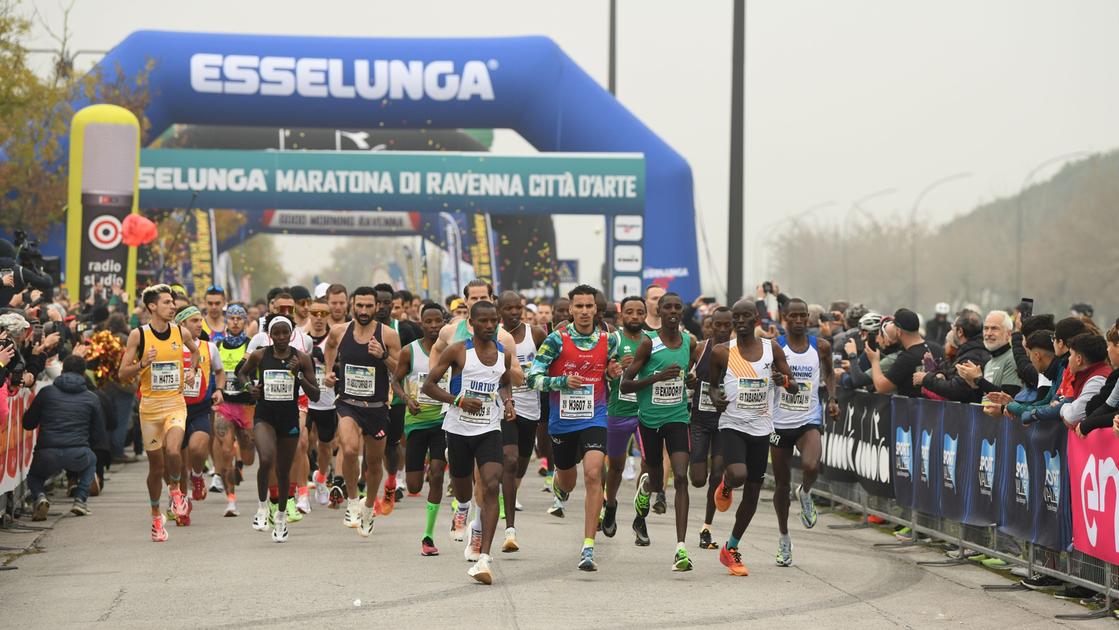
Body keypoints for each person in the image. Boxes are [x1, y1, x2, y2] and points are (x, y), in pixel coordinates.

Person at [422, 300, 516, 584]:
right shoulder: (459, 351)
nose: (489, 326)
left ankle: (484, 558)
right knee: (463, 488)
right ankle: (463, 508)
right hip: (458, 430)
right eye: (483, 322)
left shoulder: (503, 354)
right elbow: (429, 385)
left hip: (489, 429)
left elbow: (503, 382)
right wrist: (458, 400)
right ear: (472, 324)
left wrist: (508, 401)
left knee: (490, 484)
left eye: (493, 321)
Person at [526, 285, 617, 570]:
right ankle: (559, 486)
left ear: (596, 309)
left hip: (595, 417)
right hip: (562, 422)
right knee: (568, 481)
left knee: (593, 474)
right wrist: (561, 382)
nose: (585, 311)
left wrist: (614, 372)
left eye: (589, 306)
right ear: (571, 309)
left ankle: (588, 547)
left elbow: (612, 374)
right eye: (579, 306)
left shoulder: (609, 340)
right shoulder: (556, 340)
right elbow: (532, 377)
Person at [707, 299, 798, 576]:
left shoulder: (773, 349)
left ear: (756, 318)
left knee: (753, 494)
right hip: (733, 424)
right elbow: (711, 387)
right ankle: (725, 484)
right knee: (738, 474)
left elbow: (792, 385)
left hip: (762, 427)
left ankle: (730, 548)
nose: (742, 321)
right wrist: (716, 398)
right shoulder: (722, 352)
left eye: (747, 316)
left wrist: (783, 381)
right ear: (733, 320)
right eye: (737, 317)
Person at [621, 292, 699, 571]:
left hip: (678, 418)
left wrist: (689, 378)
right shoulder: (647, 343)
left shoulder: (690, 342)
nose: (673, 311)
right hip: (649, 422)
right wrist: (656, 377)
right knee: (656, 481)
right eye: (668, 307)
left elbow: (690, 375)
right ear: (660, 310)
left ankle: (680, 547)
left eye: (678, 307)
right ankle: (645, 489)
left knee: (680, 477)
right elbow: (625, 385)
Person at [117, 284, 201, 541]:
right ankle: (156, 518)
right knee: (155, 468)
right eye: (167, 302)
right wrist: (143, 363)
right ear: (152, 306)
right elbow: (122, 373)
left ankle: (175, 490)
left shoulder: (180, 331)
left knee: (174, 451)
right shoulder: (138, 336)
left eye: (173, 302)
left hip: (175, 402)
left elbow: (196, 351)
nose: (173, 306)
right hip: (150, 408)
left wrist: (192, 371)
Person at [322, 286, 401, 536]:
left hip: (377, 407)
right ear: (352, 305)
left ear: (376, 307)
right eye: (360, 305)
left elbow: (400, 369)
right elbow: (330, 348)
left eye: (369, 306)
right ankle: (353, 501)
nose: (364, 311)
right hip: (348, 403)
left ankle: (368, 506)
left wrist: (383, 355)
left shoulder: (387, 335)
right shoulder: (339, 330)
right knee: (349, 448)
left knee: (375, 463)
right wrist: (328, 372)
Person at [239, 315, 320, 542]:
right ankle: (262, 508)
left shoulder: (301, 358)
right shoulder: (260, 355)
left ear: (292, 333)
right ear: (270, 335)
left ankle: (282, 517)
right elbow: (242, 372)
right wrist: (249, 387)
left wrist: (300, 375)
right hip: (264, 416)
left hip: (289, 419)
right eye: (277, 333)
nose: (281, 337)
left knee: (284, 471)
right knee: (266, 459)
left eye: (286, 333)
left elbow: (315, 394)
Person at [770, 298, 838, 566]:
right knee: (781, 484)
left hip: (808, 418)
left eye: (803, 316)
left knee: (811, 466)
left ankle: (807, 492)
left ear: (808, 317)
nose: (799, 321)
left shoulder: (821, 346)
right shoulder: (775, 347)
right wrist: (776, 380)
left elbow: (830, 374)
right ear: (784, 318)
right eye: (793, 316)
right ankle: (784, 538)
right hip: (779, 422)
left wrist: (833, 399)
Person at [392, 303, 452, 556]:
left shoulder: (452, 351)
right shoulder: (410, 352)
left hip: (442, 420)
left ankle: (428, 536)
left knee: (437, 473)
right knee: (415, 486)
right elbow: (395, 380)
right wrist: (406, 399)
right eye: (428, 321)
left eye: (438, 321)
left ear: (444, 323)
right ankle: (425, 465)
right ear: (421, 323)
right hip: (416, 421)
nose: (434, 326)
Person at [24, 355, 107, 519]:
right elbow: (99, 435)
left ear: (62, 370)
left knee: (34, 476)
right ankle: (80, 500)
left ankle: (39, 496)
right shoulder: (91, 398)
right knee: (91, 460)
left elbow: (28, 423)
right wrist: (84, 444)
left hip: (47, 453)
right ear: (84, 374)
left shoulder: (46, 393)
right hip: (78, 453)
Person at [497, 291, 547, 551]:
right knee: (510, 459)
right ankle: (510, 529)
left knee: (521, 463)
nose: (515, 312)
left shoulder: (536, 334)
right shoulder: (493, 335)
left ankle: (509, 493)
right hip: (503, 407)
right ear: (499, 310)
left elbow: (551, 363)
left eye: (518, 307)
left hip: (531, 408)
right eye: (509, 308)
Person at [602, 296, 646, 543]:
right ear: (621, 316)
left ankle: (641, 517)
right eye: (630, 312)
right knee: (616, 466)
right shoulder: (613, 339)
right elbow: (601, 369)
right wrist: (614, 368)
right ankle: (610, 504)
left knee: (650, 465)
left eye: (640, 312)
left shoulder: (652, 341)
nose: (635, 317)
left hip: (645, 412)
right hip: (618, 411)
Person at [375, 282, 421, 514]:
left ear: (393, 304)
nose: (382, 307)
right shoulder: (361, 330)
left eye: (386, 303)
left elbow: (412, 364)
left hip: (396, 397)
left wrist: (384, 357)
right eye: (378, 303)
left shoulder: (404, 330)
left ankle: (392, 481)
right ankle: (370, 494)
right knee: (372, 445)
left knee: (392, 445)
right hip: (370, 397)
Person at [175, 305, 225, 520]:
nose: (199, 324)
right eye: (194, 321)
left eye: (199, 320)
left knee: (197, 448)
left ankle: (197, 476)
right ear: (182, 325)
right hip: (174, 407)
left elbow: (219, 371)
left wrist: (219, 390)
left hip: (199, 407)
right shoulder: (172, 346)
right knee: (176, 458)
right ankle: (181, 505)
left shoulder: (209, 347)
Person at [690, 306, 733, 551]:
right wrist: (690, 379)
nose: (724, 329)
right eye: (719, 325)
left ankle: (706, 528)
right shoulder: (700, 349)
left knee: (716, 475)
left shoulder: (738, 352)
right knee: (698, 479)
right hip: (699, 420)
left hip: (725, 422)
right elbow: (686, 374)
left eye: (728, 325)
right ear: (711, 326)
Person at [212, 304, 256, 516]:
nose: (236, 322)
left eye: (240, 318)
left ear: (245, 321)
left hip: (246, 406)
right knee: (226, 450)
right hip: (225, 405)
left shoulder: (251, 346)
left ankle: (240, 465)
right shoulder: (217, 345)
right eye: (232, 318)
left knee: (249, 458)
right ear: (226, 321)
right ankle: (231, 500)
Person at [303, 299, 339, 506]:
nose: (318, 318)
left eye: (323, 314)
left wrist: (327, 363)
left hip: (326, 400)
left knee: (325, 446)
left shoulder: (334, 338)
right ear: (309, 314)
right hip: (304, 399)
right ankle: (301, 490)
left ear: (328, 316)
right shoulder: (300, 337)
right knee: (303, 443)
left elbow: (343, 363)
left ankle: (322, 479)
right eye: (314, 313)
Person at [867, 308, 930, 397]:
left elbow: (881, 387)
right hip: (938, 409)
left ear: (899, 331)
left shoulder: (906, 358)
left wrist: (874, 361)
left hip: (910, 409)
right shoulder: (936, 348)